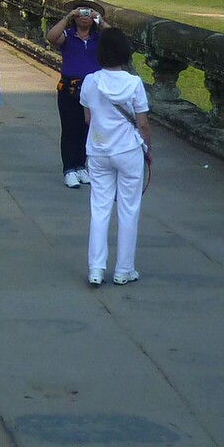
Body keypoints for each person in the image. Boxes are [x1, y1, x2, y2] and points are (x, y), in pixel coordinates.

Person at [80, 27, 151, 287]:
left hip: (98, 150)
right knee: (128, 209)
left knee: (99, 209)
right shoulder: (134, 83)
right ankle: (124, 269)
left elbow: (88, 118)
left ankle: (96, 268)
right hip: (128, 151)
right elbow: (142, 123)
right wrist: (148, 149)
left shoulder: (89, 81)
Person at [48, 0, 107, 189]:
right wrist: (67, 18)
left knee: (87, 130)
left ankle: (81, 165)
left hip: (92, 90)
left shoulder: (98, 38)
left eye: (89, 13)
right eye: (81, 12)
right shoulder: (68, 35)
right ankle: (69, 168)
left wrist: (100, 20)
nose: (85, 17)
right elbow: (51, 37)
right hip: (70, 89)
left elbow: (116, 38)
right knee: (70, 129)